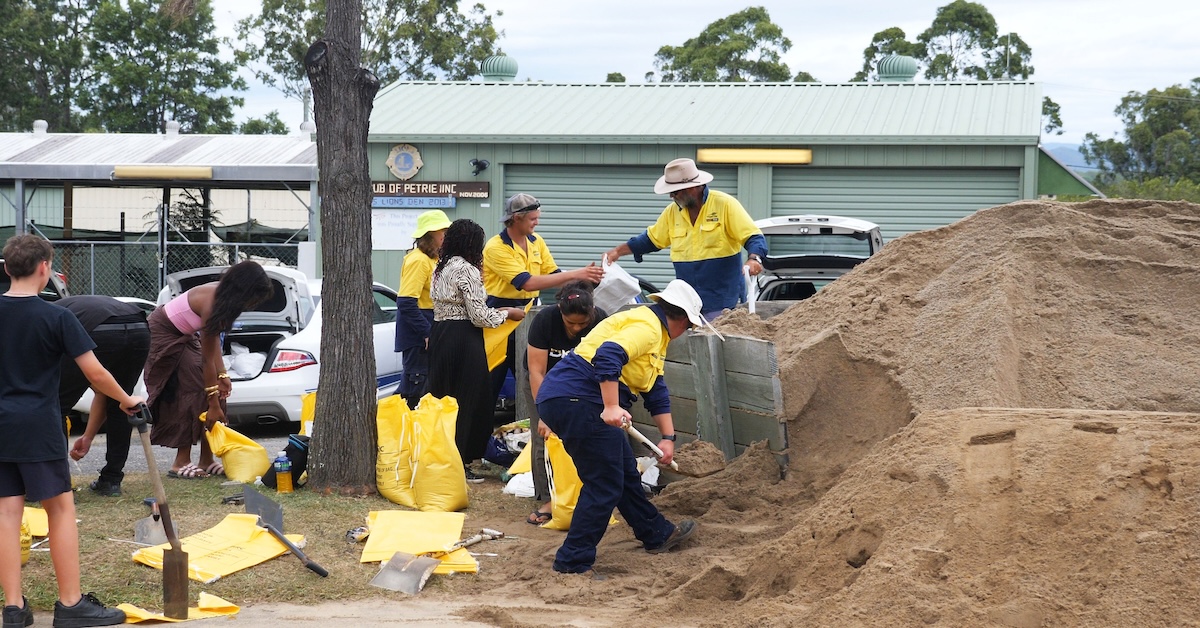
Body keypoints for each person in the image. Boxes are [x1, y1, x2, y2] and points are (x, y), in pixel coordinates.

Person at [0, 235, 134, 627]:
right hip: (37, 427)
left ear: (7, 268)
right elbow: (95, 373)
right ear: (45, 269)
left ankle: (13, 608)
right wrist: (126, 400)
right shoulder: (57, 316)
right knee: (59, 510)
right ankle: (71, 605)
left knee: (8, 512)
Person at [535, 278, 707, 577]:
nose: (686, 333)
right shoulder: (649, 327)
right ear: (680, 318)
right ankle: (572, 561)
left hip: (572, 397)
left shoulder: (653, 331)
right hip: (580, 398)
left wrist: (667, 438)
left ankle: (657, 533)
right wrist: (612, 406)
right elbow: (608, 355)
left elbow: (655, 388)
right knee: (604, 483)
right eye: (690, 326)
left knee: (624, 473)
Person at [143, 260, 273, 479]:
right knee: (194, 387)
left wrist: (223, 377)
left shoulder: (226, 302)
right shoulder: (213, 303)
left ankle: (206, 459)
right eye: (255, 296)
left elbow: (213, 348)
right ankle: (180, 462)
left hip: (185, 335)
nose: (254, 303)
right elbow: (206, 359)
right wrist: (211, 403)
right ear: (245, 288)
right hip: (162, 333)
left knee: (217, 391)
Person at [483, 193, 605, 421]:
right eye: (532, 219)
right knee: (491, 382)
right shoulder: (495, 247)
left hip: (530, 312)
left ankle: (532, 430)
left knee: (533, 375)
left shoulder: (536, 241)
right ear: (516, 218)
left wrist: (588, 280)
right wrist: (577, 272)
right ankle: (481, 445)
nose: (537, 223)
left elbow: (554, 275)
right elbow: (526, 281)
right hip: (500, 316)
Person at [604, 157, 768, 319]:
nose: (671, 197)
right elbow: (650, 240)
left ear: (693, 188)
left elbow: (753, 236)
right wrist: (618, 252)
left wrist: (754, 259)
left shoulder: (724, 205)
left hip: (722, 301)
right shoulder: (672, 212)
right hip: (687, 302)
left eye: (675, 192)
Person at [428, 219, 526, 483]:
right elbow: (479, 316)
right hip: (464, 339)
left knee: (442, 398)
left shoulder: (441, 267)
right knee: (470, 400)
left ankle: (440, 457)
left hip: (440, 335)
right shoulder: (467, 270)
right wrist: (508, 313)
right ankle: (460, 462)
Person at [524, 280, 608, 525]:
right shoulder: (545, 320)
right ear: (560, 312)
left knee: (592, 433)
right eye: (570, 323)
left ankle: (592, 493)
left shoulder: (601, 321)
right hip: (544, 380)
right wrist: (545, 415)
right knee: (545, 435)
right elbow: (536, 371)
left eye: (582, 323)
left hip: (584, 381)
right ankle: (549, 498)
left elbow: (607, 364)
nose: (576, 329)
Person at [56, 295, 151, 497]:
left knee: (56, 407)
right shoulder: (59, 313)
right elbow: (103, 389)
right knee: (121, 400)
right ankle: (111, 480)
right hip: (138, 327)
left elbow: (95, 377)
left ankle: (58, 484)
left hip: (99, 328)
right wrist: (88, 436)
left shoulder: (42, 321)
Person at [394, 209, 452, 408]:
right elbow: (406, 302)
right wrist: (427, 333)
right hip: (419, 332)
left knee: (426, 388)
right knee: (415, 390)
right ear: (428, 236)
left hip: (429, 324)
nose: (446, 238)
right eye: (442, 233)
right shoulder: (418, 260)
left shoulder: (433, 259)